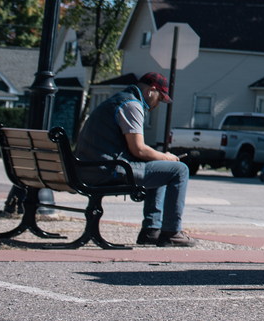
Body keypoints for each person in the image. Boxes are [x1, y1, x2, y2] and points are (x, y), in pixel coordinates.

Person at [73, 71, 196, 248]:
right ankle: (171, 232)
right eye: (159, 98)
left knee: (162, 167)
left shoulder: (117, 100)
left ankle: (152, 230)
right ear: (151, 91)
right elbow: (138, 149)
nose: (156, 105)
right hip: (107, 170)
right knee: (179, 170)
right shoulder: (131, 105)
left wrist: (162, 160)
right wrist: (167, 157)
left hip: (90, 167)